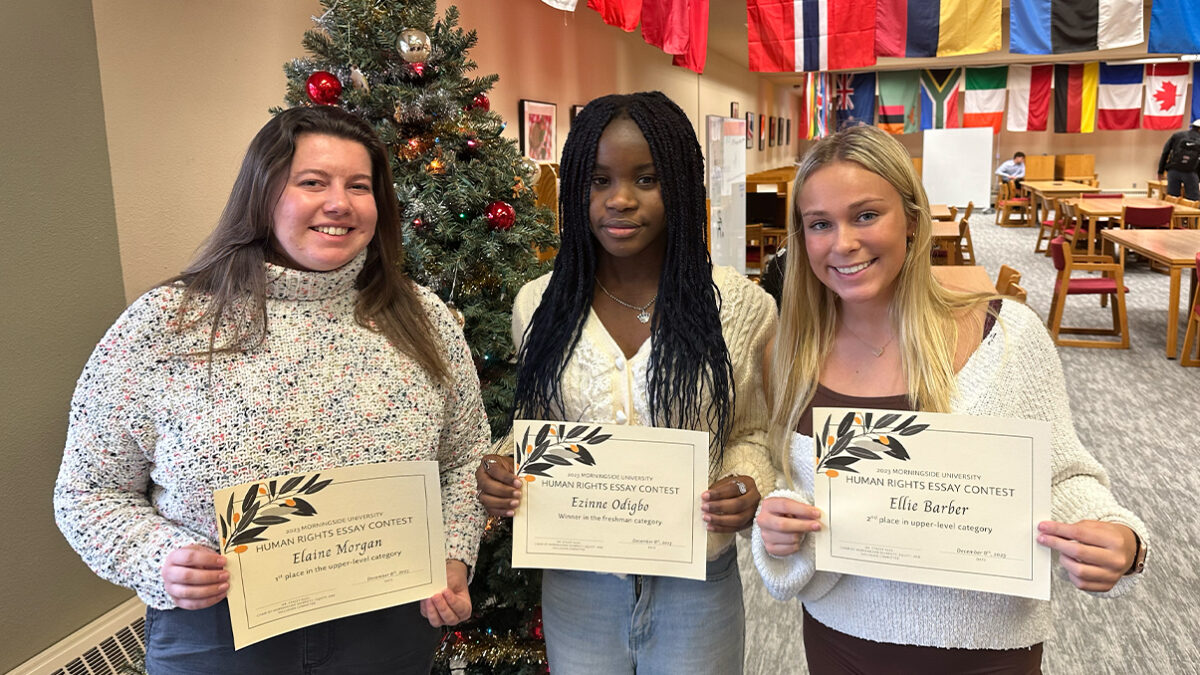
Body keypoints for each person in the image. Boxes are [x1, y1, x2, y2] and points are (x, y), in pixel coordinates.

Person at [54, 106, 489, 673]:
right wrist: (158, 559)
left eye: (359, 186)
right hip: (219, 634)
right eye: (312, 182)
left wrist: (455, 551)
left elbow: (464, 460)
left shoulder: (421, 316)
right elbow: (87, 493)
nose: (339, 203)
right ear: (263, 195)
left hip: (388, 626)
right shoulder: (165, 325)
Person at [752, 125, 1148, 674]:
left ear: (912, 220)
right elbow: (783, 486)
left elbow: (1061, 475)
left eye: (866, 215)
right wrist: (771, 530)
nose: (842, 242)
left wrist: (1119, 536)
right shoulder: (785, 354)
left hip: (986, 648)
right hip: (841, 640)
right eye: (820, 224)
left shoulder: (1005, 335)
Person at [474, 92, 777, 675]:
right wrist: (504, 468)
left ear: (682, 188)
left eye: (646, 179)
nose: (619, 200)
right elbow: (537, 429)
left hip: (697, 578)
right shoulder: (538, 304)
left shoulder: (739, 306)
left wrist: (748, 482)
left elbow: (753, 431)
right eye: (598, 180)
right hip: (578, 581)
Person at [1157, 119, 1200, 200]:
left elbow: (1165, 152)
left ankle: (1172, 212)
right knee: (1194, 200)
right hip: (1190, 172)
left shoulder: (1177, 135)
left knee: (1172, 198)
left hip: (1173, 171)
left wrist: (1160, 171)